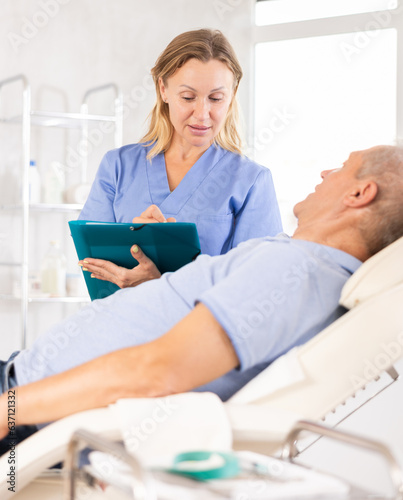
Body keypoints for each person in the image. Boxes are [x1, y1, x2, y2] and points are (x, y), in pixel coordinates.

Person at [1, 144, 403, 446]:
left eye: (342, 167)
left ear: (359, 194)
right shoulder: (300, 264)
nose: (325, 171)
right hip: (25, 387)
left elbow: (155, 371)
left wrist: (9, 409)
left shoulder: (300, 271)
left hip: (23, 408)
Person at [77, 28, 282, 289]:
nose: (202, 113)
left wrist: (161, 283)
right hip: (120, 325)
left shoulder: (251, 181)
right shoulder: (118, 167)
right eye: (188, 97)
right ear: (163, 89)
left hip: (196, 330)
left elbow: (257, 287)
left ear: (232, 95)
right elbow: (94, 268)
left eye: (216, 98)